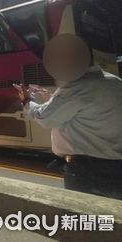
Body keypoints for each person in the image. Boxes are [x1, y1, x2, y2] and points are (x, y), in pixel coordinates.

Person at [17, 66, 122, 200]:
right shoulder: (114, 81)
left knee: (83, 214)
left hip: (89, 170)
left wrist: (26, 101)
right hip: (116, 164)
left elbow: (44, 117)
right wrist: (53, 99)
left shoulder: (77, 86)